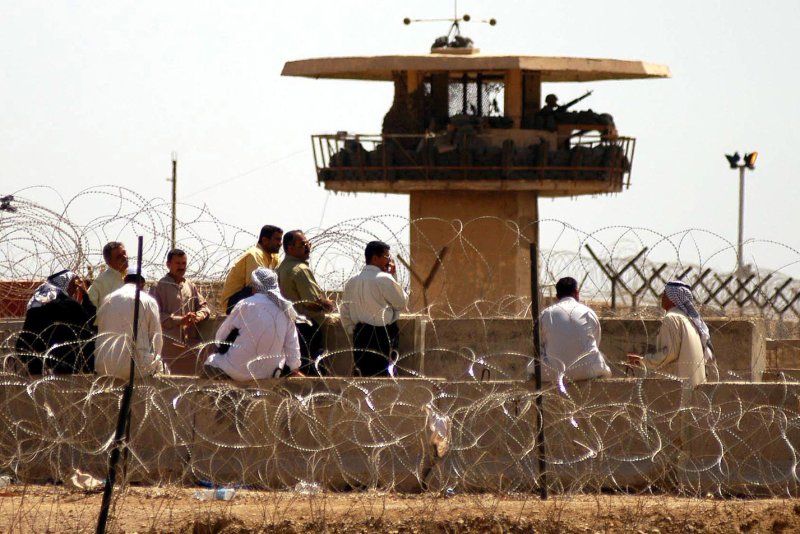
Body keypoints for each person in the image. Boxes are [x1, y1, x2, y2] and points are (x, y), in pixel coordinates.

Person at [203, 268, 304, 381]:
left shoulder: (246, 304)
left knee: (211, 363)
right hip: (268, 374)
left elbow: (220, 337)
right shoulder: (285, 310)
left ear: (254, 286)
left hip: (236, 370)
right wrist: (294, 369)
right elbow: (292, 347)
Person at [627, 280, 712, 387]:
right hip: (693, 386)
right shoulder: (689, 320)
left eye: (665, 294)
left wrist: (642, 361)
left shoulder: (672, 318)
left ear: (672, 298)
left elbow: (669, 353)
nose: (662, 296)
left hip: (678, 387)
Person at [340, 241, 407, 377]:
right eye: (387, 257)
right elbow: (401, 302)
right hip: (383, 334)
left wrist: (351, 329)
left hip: (360, 333)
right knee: (383, 376)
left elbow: (344, 309)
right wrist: (393, 276)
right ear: (375, 258)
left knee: (362, 375)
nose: (389, 261)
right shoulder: (384, 279)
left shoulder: (353, 281)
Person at [528, 277, 612, 384]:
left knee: (531, 367)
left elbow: (539, 345)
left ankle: (536, 398)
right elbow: (595, 341)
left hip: (553, 373)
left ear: (557, 296)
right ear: (577, 292)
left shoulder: (546, 314)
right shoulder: (588, 313)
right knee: (602, 361)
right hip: (588, 371)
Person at [15, 270, 96, 374]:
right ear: (65, 284)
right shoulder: (67, 304)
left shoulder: (36, 303)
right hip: (65, 365)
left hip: (35, 361)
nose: (75, 290)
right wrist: (85, 295)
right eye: (73, 285)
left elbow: (24, 341)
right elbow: (90, 321)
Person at [276, 230, 334, 375]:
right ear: (290, 248)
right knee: (312, 370)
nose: (308, 247)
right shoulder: (300, 269)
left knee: (291, 370)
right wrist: (326, 304)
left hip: (287, 325)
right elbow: (312, 302)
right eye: (302, 244)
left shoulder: (281, 269)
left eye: (308, 243)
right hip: (307, 328)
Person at [95, 267, 167, 380]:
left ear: (125, 280)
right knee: (162, 368)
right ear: (143, 283)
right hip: (136, 368)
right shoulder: (148, 301)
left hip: (104, 366)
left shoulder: (107, 299)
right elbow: (157, 340)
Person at [149, 248, 211, 374]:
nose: (181, 267)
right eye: (177, 263)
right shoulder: (159, 286)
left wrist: (197, 317)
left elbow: (204, 308)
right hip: (168, 347)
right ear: (168, 265)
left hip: (190, 346)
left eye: (184, 263)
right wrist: (180, 320)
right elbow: (154, 315)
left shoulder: (190, 286)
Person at [220, 225, 283, 313]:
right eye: (277, 239)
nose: (280, 243)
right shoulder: (254, 255)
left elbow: (282, 276)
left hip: (249, 297)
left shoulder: (272, 256)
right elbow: (257, 286)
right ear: (265, 240)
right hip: (232, 302)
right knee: (261, 288)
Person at [87, 241, 128, 308]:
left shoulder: (135, 277)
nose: (124, 257)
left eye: (124, 253)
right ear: (109, 262)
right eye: (119, 256)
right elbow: (90, 310)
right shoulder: (100, 283)